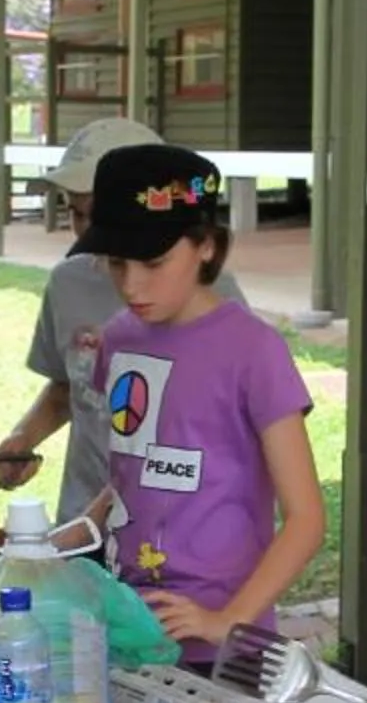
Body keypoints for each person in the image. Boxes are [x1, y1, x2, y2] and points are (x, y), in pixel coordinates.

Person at [70, 142, 324, 657]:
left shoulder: (255, 351)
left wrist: (228, 620)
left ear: (206, 245)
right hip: (125, 629)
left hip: (225, 648)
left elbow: (307, 519)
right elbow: (128, 473)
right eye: (117, 263)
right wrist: (53, 545)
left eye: (154, 262)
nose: (131, 284)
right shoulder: (118, 339)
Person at [0, 118, 243, 530]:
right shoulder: (68, 283)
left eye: (100, 213)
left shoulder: (217, 302)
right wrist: (23, 438)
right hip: (86, 520)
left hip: (180, 535)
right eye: (76, 212)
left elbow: (252, 439)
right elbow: (69, 386)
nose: (90, 231)